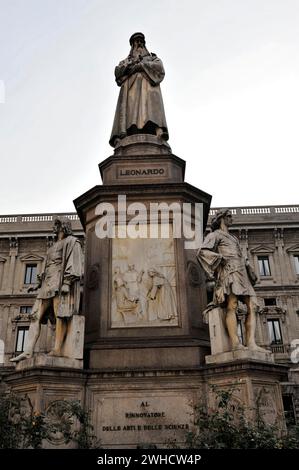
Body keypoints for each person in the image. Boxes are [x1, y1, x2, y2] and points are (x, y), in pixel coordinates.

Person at [11, 217, 83, 362]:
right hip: (46, 285)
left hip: (59, 284)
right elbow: (47, 268)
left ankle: (57, 349)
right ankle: (28, 351)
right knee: (35, 317)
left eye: (56, 225)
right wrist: (37, 284)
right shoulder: (52, 247)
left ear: (62, 226)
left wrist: (67, 283)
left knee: (60, 316)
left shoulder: (72, 242)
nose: (53, 228)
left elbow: (74, 263)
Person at [197, 209, 266, 352]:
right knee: (232, 304)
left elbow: (240, 255)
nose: (232, 219)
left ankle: (251, 343)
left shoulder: (233, 238)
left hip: (242, 272)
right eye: (229, 216)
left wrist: (248, 266)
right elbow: (202, 251)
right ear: (221, 218)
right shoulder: (215, 235)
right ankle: (235, 343)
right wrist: (219, 259)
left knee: (253, 306)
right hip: (229, 272)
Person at [109, 32, 169, 147]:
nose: (139, 43)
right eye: (136, 41)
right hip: (130, 89)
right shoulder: (126, 61)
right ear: (132, 45)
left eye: (141, 41)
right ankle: (125, 134)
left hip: (149, 87)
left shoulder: (153, 58)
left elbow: (159, 68)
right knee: (130, 109)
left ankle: (158, 130)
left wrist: (142, 66)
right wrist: (131, 66)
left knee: (152, 104)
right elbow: (118, 72)